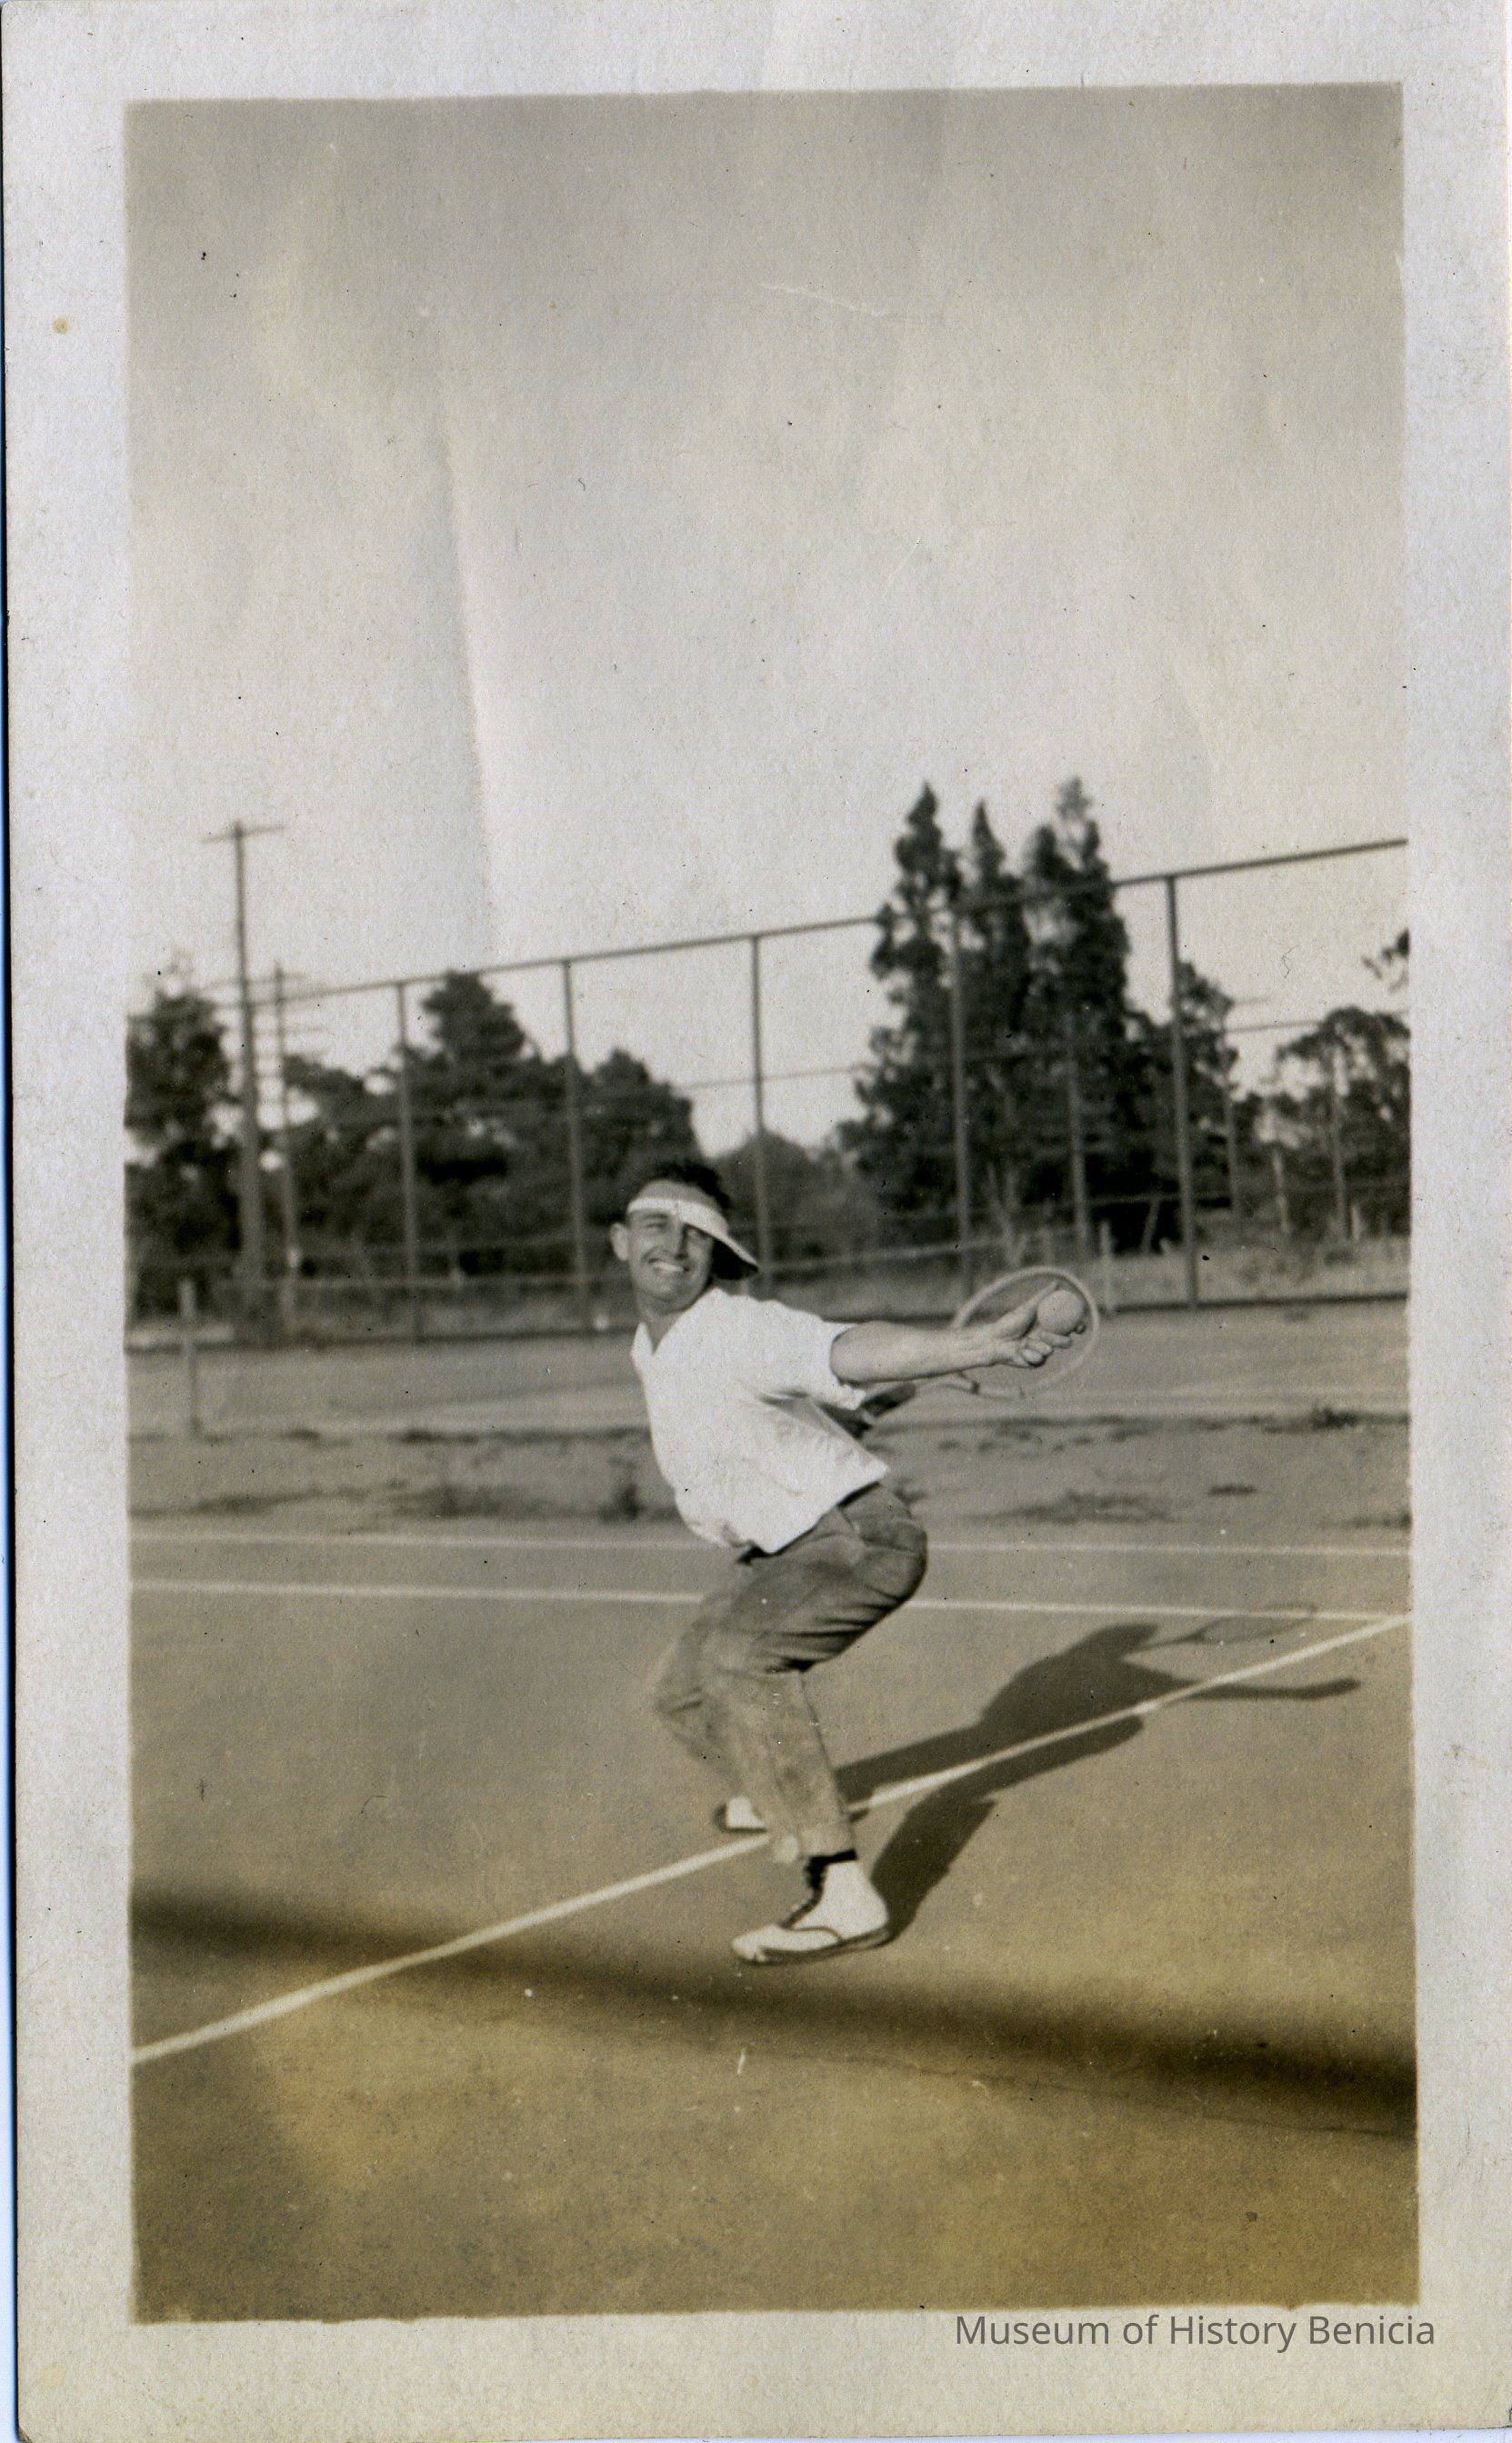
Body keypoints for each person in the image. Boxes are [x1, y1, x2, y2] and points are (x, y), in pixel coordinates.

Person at [610, 1159, 1067, 1965]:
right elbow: (809, 1409)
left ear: (718, 1257)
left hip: (856, 1538)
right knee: (678, 1691)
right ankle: (779, 1785)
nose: (675, 1246)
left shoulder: (734, 1326)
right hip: (784, 1545)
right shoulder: (653, 1347)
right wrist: (908, 1387)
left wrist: (977, 1343)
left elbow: (845, 1347)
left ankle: (842, 1894)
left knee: (739, 1661)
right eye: (657, 1226)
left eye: (697, 1235)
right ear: (621, 1242)